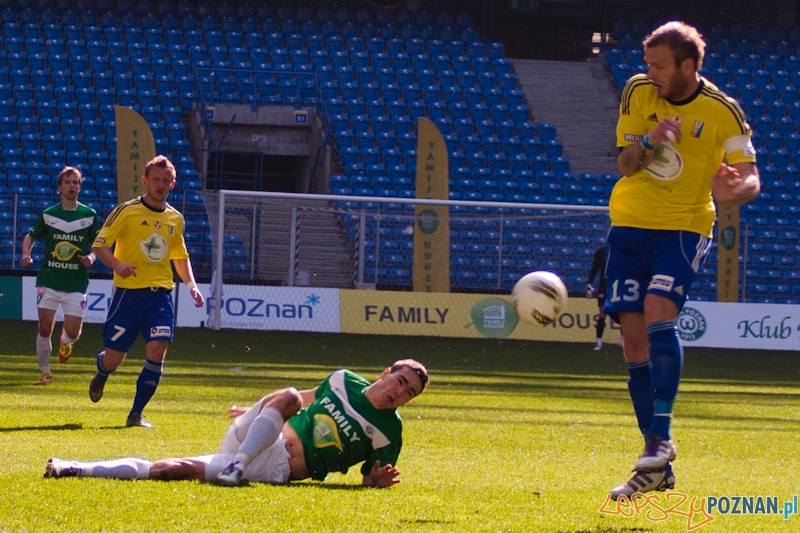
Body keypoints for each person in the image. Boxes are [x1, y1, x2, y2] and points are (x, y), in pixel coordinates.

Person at [607, 21, 759, 499]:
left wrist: (735, 190)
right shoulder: (637, 92)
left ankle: (661, 436)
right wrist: (651, 142)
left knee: (658, 309)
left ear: (688, 65)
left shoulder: (722, 111)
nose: (649, 72)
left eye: (658, 65)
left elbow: (750, 176)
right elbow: (624, 163)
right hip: (628, 224)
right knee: (633, 343)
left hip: (683, 226)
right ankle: (656, 464)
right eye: (647, 63)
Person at [45, 360, 429, 488]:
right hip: (256, 437)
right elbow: (305, 396)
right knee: (289, 394)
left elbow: (369, 478)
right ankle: (237, 464)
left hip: (276, 467)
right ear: (386, 373)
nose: (400, 392)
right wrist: (256, 409)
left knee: (170, 469)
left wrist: (375, 481)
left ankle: (74, 467)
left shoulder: (390, 432)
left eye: (409, 392)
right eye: (400, 381)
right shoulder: (343, 379)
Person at [89, 155, 205, 428]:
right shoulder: (126, 211)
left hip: (160, 295)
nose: (160, 185)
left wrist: (192, 286)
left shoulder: (175, 218)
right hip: (128, 295)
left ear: (172, 184)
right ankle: (103, 371)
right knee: (114, 358)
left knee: (157, 348)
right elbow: (99, 246)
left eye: (166, 181)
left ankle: (136, 414)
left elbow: (180, 256)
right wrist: (117, 264)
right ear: (145, 181)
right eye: (156, 179)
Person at [19, 167, 100, 385]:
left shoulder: (89, 215)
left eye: (75, 182)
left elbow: (98, 245)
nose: (72, 186)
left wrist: (92, 257)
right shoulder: (49, 214)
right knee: (45, 327)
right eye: (68, 182)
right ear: (59, 187)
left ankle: (65, 342)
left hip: (76, 282)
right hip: (50, 278)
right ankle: (45, 372)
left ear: (79, 187)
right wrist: (26, 255)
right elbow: (30, 237)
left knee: (73, 332)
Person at [586, 246, 609, 351]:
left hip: (617, 286)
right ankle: (599, 342)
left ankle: (623, 341)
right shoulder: (602, 252)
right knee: (602, 313)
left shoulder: (621, 250)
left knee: (621, 314)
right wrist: (589, 283)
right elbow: (594, 268)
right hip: (603, 287)